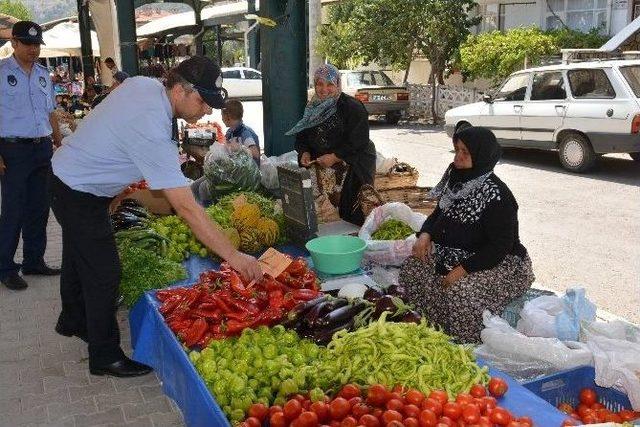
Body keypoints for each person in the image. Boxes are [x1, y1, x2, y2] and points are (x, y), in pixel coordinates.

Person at [50, 56, 263, 377]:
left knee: (79, 257)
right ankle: (104, 355)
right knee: (104, 274)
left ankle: (73, 319)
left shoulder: (144, 84)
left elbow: (112, 131)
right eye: (205, 101)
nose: (208, 111)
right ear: (181, 90)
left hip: (71, 177)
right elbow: (187, 207)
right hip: (77, 190)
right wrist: (233, 255)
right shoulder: (153, 129)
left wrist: (117, 190)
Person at [398, 126, 534, 344]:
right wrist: (424, 235)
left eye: (466, 153)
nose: (458, 157)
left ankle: (467, 347)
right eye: (457, 150)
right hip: (455, 257)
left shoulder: (496, 195)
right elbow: (438, 214)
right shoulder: (458, 181)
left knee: (461, 291)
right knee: (413, 268)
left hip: (498, 263)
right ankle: (429, 331)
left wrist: (461, 271)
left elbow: (500, 246)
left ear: (481, 155)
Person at [0, 21, 62, 290]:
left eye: (37, 44)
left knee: (39, 207)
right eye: (27, 43)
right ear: (13, 43)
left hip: (42, 148)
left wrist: (59, 143)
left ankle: (34, 260)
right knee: (13, 210)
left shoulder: (42, 74)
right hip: (12, 150)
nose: (33, 49)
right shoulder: (1, 73)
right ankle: (5, 267)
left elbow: (51, 112)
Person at [287, 64, 375, 225]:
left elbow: (359, 140)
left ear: (338, 85)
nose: (324, 89)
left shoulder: (352, 107)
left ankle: (353, 243)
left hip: (356, 161)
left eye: (330, 84)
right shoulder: (311, 108)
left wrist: (335, 156)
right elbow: (302, 138)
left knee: (352, 210)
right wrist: (304, 152)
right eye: (320, 84)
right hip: (324, 164)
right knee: (323, 211)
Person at [222, 99, 260, 164]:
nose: (222, 119)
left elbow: (255, 153)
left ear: (228, 117)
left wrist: (239, 148)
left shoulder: (245, 133)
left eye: (222, 116)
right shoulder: (230, 132)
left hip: (249, 171)